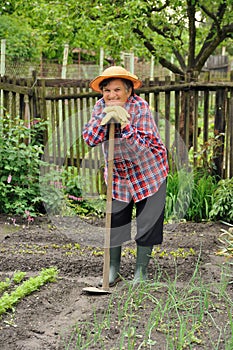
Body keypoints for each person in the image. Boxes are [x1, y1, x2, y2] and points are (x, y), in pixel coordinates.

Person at [82, 66, 168, 285]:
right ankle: (113, 270)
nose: (111, 95)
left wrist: (124, 123)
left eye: (117, 90)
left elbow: (140, 150)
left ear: (129, 91)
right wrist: (104, 121)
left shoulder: (140, 108)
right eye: (107, 90)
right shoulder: (100, 106)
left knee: (147, 222)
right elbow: (89, 139)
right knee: (115, 221)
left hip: (148, 173)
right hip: (118, 175)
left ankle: (141, 271)